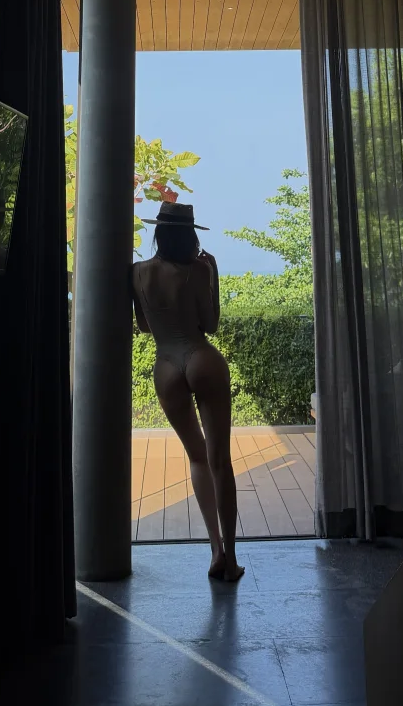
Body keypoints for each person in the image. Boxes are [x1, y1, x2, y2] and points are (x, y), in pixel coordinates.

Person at [131, 201, 244, 582]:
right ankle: (231, 560)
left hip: (165, 365)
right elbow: (210, 324)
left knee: (197, 457)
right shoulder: (198, 269)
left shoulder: (138, 272)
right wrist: (214, 276)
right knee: (219, 460)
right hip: (201, 357)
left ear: (159, 232)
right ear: (190, 235)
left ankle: (215, 550)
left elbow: (144, 326)